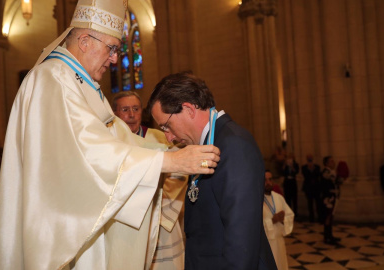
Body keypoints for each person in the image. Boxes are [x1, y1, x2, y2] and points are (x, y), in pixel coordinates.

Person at [0, 1, 220, 269]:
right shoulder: (53, 80)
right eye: (112, 48)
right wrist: (169, 163)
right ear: (85, 40)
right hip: (64, 228)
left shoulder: (80, 83)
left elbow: (119, 139)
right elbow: (86, 152)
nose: (114, 59)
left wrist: (168, 153)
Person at [148, 72, 277, 270]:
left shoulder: (234, 146)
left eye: (166, 126)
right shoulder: (206, 144)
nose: (168, 137)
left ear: (189, 109)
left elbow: (241, 241)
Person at [111, 90, 186, 270]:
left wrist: (154, 203)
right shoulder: (110, 143)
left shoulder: (161, 137)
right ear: (115, 114)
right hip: (126, 220)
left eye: (135, 109)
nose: (131, 115)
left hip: (161, 217)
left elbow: (180, 174)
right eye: (125, 109)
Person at [263, 170, 294, 270]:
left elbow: (290, 215)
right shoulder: (257, 200)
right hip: (266, 245)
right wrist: (272, 221)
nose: (268, 183)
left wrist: (283, 219)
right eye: (265, 180)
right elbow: (253, 226)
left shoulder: (278, 197)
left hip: (279, 242)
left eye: (270, 179)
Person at [320, 156, 340, 245]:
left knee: (331, 216)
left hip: (332, 196)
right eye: (331, 161)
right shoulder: (326, 172)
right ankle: (327, 237)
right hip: (328, 198)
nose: (333, 163)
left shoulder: (332, 172)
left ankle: (330, 235)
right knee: (328, 215)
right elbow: (331, 180)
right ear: (327, 163)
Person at [301, 154, 323, 223]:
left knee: (318, 203)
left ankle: (320, 218)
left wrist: (313, 168)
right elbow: (305, 175)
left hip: (316, 187)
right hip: (308, 187)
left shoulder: (317, 167)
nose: (310, 159)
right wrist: (309, 168)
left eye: (310, 158)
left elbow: (318, 175)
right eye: (308, 158)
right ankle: (311, 218)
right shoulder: (304, 167)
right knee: (310, 203)